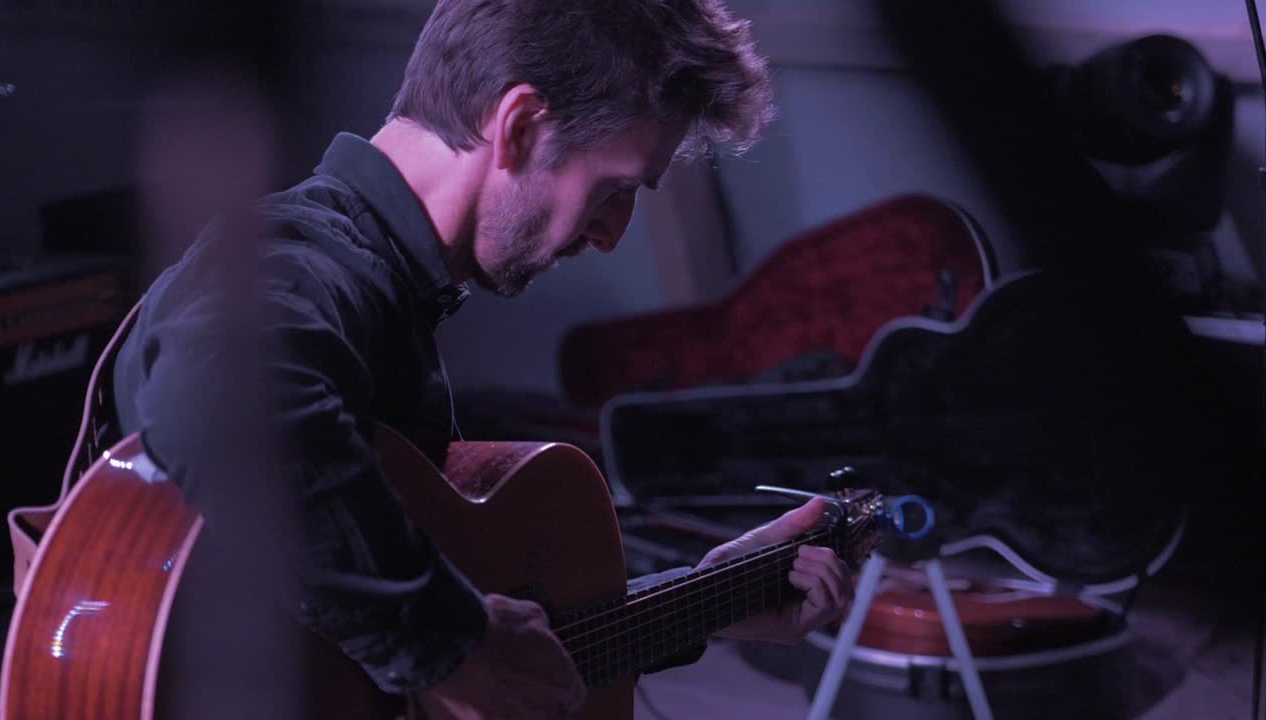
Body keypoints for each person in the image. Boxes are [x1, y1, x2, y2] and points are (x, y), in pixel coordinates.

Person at [111, 0, 855, 717]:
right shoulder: (311, 265)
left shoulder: (384, 292)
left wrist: (707, 600)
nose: (611, 236)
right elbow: (223, 406)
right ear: (522, 125)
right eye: (614, 190)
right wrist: (446, 645)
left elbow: (423, 651)